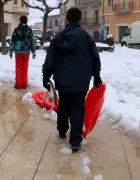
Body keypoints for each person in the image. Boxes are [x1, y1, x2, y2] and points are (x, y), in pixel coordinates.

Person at [42, 7, 102, 152]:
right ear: (80, 20)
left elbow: (50, 58)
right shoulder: (87, 37)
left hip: (62, 80)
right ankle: (75, 140)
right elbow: (95, 58)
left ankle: (62, 130)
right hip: (81, 81)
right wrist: (97, 75)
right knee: (77, 108)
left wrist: (46, 75)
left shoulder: (59, 37)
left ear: (66, 20)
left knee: (63, 105)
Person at [9, 15, 36, 89]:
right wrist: (33, 52)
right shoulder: (29, 30)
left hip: (18, 52)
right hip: (26, 52)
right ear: (26, 21)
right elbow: (32, 42)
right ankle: (24, 84)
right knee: (25, 68)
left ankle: (18, 84)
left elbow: (13, 41)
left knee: (18, 68)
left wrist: (11, 51)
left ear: (20, 21)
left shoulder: (16, 30)